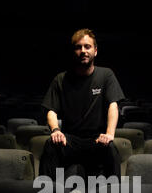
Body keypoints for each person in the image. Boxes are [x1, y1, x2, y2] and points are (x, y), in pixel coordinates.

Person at [39, 28, 125, 181]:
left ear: (95, 51)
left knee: (111, 148)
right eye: (78, 47)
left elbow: (113, 105)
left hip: (96, 140)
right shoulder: (61, 79)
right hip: (70, 140)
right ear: (73, 51)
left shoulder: (106, 75)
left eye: (87, 46)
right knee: (51, 145)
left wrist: (110, 134)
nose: (83, 51)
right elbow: (51, 110)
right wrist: (56, 130)